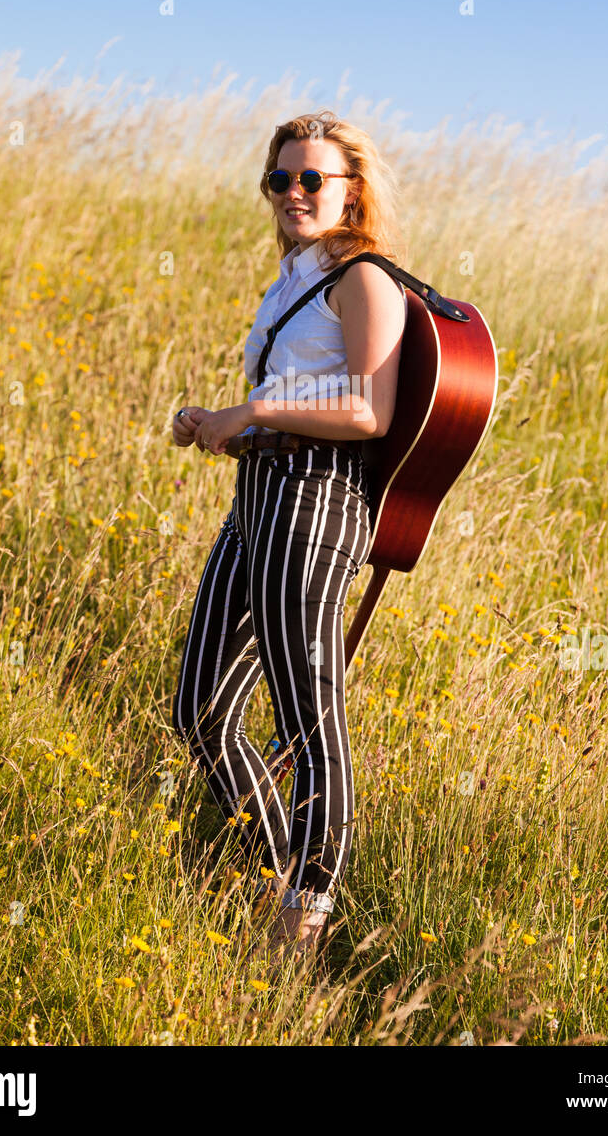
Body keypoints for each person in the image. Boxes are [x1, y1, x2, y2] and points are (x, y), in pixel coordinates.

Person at [172, 110, 407, 967]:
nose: (296, 193)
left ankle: (306, 915)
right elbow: (295, 389)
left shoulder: (362, 279)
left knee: (309, 722)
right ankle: (277, 875)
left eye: (315, 179)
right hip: (260, 492)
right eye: (282, 178)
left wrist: (259, 409)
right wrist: (222, 426)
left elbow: (369, 411)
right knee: (200, 708)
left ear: (351, 191)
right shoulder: (292, 278)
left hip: (316, 504)